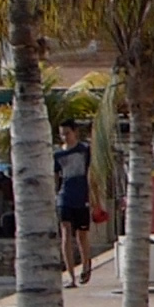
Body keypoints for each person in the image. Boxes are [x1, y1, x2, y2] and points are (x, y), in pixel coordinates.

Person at [54, 118, 93, 288]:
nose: (65, 137)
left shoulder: (85, 150)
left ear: (75, 132)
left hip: (82, 196)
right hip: (65, 196)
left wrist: (94, 196)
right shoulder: (58, 154)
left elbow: (93, 172)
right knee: (66, 232)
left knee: (81, 235)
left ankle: (86, 266)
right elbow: (56, 177)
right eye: (62, 134)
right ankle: (71, 276)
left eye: (67, 133)